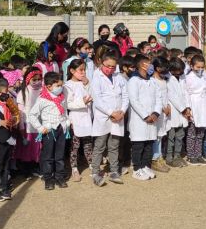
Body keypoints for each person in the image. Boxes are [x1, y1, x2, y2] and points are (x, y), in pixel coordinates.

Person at [90, 52, 129, 186]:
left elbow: (125, 96)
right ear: (101, 63)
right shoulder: (97, 78)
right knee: (100, 145)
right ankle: (95, 172)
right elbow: (98, 100)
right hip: (103, 117)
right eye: (108, 66)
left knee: (114, 145)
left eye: (113, 67)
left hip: (118, 116)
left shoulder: (119, 78)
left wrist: (122, 111)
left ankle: (113, 171)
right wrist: (111, 113)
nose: (110, 69)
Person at [28, 72, 70, 190]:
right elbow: (32, 115)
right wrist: (41, 128)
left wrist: (67, 122)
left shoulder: (62, 97)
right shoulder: (42, 99)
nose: (60, 88)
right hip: (49, 130)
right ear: (48, 86)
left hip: (61, 129)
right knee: (48, 156)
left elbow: (65, 111)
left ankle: (59, 176)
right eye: (58, 86)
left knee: (60, 155)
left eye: (61, 85)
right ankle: (48, 178)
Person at [127, 54, 162, 181]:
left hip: (152, 119)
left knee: (149, 144)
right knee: (138, 145)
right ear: (143, 65)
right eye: (149, 63)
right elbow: (133, 100)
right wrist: (145, 115)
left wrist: (156, 113)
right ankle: (137, 169)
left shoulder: (153, 81)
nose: (151, 65)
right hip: (139, 120)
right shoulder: (133, 81)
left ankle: (145, 166)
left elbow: (159, 98)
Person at [65, 59, 94, 182]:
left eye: (84, 70)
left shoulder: (85, 82)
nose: (83, 73)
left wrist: (87, 85)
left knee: (88, 144)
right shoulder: (67, 86)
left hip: (87, 118)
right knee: (74, 146)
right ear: (72, 71)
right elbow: (68, 104)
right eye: (80, 70)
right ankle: (74, 168)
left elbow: (92, 96)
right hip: (75, 120)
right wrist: (83, 102)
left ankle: (92, 165)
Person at [14, 67, 43, 177]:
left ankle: (36, 168)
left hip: (40, 125)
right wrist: (21, 127)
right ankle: (26, 170)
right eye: (34, 80)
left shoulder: (43, 90)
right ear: (27, 79)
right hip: (27, 125)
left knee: (37, 148)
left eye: (39, 79)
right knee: (27, 150)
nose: (37, 82)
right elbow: (20, 112)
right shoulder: (23, 92)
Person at [165, 58, 192, 167]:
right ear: (172, 69)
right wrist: (183, 109)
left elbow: (186, 93)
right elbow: (172, 96)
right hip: (174, 111)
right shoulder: (168, 79)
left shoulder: (182, 78)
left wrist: (188, 107)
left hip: (183, 111)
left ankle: (177, 156)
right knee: (171, 136)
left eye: (181, 70)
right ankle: (169, 157)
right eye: (178, 70)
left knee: (180, 135)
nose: (181, 72)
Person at [184, 54, 206, 165]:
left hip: (203, 106)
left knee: (201, 134)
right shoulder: (188, 77)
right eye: (197, 67)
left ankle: (198, 154)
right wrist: (188, 108)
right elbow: (186, 93)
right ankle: (191, 155)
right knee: (192, 133)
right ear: (192, 66)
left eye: (202, 67)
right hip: (194, 105)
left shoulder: (204, 77)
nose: (199, 69)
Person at [150, 57, 172, 173]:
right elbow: (155, 97)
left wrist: (168, 106)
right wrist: (162, 108)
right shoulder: (152, 80)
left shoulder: (164, 79)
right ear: (157, 68)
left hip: (165, 111)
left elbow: (166, 94)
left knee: (161, 135)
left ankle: (159, 156)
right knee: (156, 136)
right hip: (158, 111)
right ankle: (155, 158)